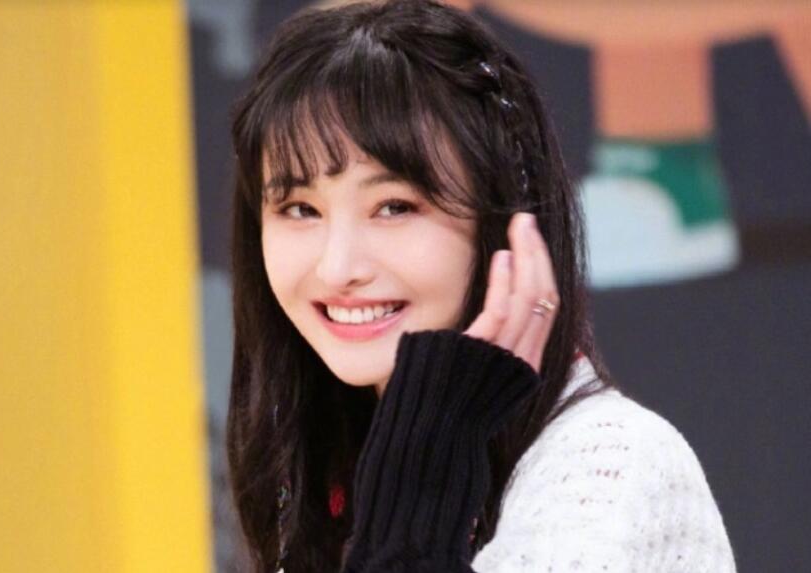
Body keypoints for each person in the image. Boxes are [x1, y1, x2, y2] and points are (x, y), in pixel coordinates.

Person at [226, 1, 737, 571]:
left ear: (506, 223)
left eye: (394, 207)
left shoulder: (606, 468)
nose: (337, 267)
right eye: (299, 209)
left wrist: (423, 469)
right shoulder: (323, 469)